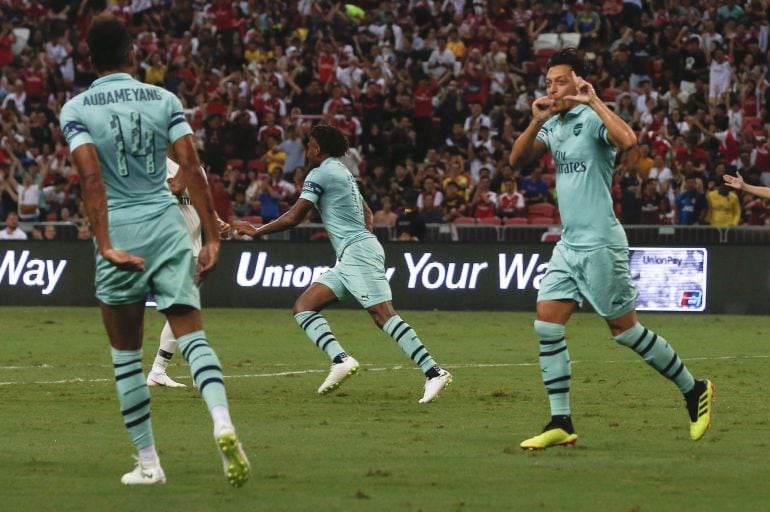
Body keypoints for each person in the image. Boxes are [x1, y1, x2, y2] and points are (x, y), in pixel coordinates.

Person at [59, 14, 248, 486]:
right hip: (166, 224)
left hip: (121, 228)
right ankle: (222, 421)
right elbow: (192, 166)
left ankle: (149, 464)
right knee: (192, 334)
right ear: (132, 54)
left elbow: (90, 179)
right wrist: (211, 236)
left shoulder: (76, 108)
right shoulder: (165, 99)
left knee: (126, 356)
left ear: (89, 60)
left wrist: (104, 244)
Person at [508, 49, 713, 450]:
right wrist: (536, 119)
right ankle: (561, 421)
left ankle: (694, 389)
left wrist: (594, 100)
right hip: (568, 244)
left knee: (625, 331)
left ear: (581, 82)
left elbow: (629, 141)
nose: (552, 87)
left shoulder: (591, 117)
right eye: (548, 82)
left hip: (601, 242)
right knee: (547, 325)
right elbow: (517, 161)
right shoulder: (554, 124)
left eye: (560, 81)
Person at [233, 125, 452, 403]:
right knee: (304, 307)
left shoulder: (320, 172)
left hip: (357, 252)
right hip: (352, 253)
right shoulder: (343, 172)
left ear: (317, 149)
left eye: (309, 144)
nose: (306, 149)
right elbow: (368, 212)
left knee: (383, 315)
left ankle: (434, 372)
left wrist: (256, 230)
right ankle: (341, 360)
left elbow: (294, 217)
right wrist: (363, 240)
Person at [146, 157, 231, 388]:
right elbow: (166, 196)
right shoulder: (156, 165)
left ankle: (160, 371)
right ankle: (191, 368)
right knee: (185, 308)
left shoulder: (197, 170)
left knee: (184, 309)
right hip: (170, 246)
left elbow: (203, 205)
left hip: (194, 248)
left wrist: (218, 222)